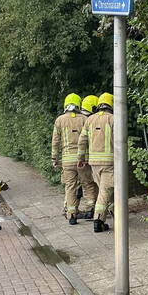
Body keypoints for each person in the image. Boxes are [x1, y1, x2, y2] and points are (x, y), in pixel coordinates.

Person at [52, 93, 98, 225]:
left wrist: (54, 158)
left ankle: (71, 215)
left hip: (67, 161)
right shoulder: (84, 119)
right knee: (88, 184)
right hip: (83, 160)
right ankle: (90, 209)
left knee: (70, 187)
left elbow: (55, 142)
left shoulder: (59, 120)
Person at [78, 92, 114, 233]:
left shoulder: (90, 120)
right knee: (105, 191)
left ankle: (114, 213)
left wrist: (81, 158)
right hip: (109, 163)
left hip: (94, 163)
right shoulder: (113, 119)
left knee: (105, 190)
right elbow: (121, 141)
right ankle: (98, 220)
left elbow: (82, 141)